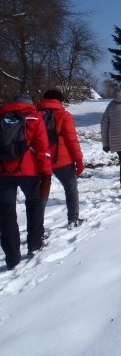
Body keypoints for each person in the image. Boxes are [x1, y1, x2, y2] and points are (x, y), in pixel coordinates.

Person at [0, 93, 52, 269]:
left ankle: (12, 258)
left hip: (4, 172)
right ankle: (35, 245)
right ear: (30, 104)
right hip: (29, 171)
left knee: (7, 215)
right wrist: (46, 173)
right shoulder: (35, 118)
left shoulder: (2, 116)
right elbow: (42, 148)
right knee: (34, 205)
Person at [36, 89, 86, 228]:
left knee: (41, 192)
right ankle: (73, 219)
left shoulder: (35, 115)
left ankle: (37, 227)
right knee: (71, 189)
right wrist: (79, 160)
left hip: (40, 159)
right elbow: (71, 139)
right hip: (61, 159)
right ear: (59, 100)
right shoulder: (64, 115)